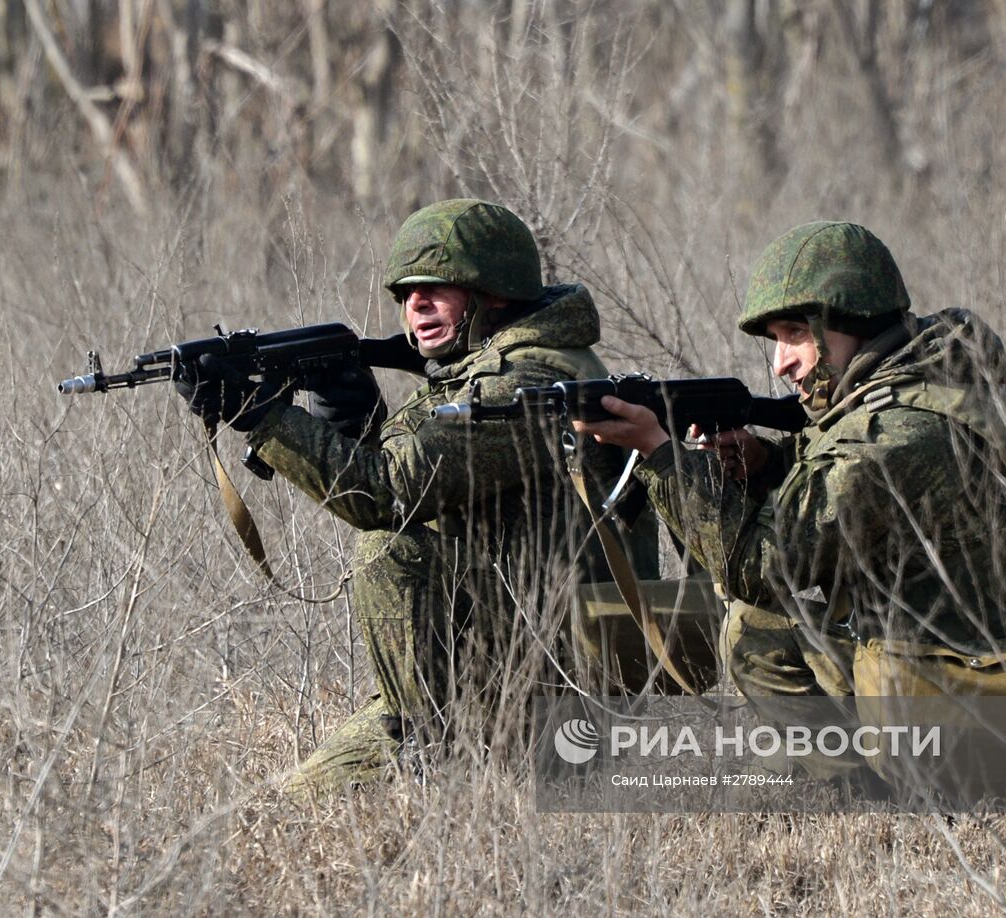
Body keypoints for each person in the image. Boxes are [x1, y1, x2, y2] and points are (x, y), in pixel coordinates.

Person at [176, 199, 651, 796]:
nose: (415, 305)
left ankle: (438, 755)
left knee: (389, 547)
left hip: (551, 673)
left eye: (436, 288)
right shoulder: (477, 371)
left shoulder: (529, 384)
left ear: (495, 293)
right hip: (487, 656)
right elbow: (429, 484)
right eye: (405, 292)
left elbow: (391, 493)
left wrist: (265, 420)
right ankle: (427, 739)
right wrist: (346, 411)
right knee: (284, 804)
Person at [575, 221, 1006, 720]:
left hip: (976, 705)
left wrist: (659, 454)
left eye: (796, 333)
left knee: (753, 625)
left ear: (854, 323)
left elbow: (760, 569)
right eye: (776, 338)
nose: (781, 363)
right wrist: (767, 464)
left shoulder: (900, 431)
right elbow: (868, 495)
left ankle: (877, 792)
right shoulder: (959, 382)